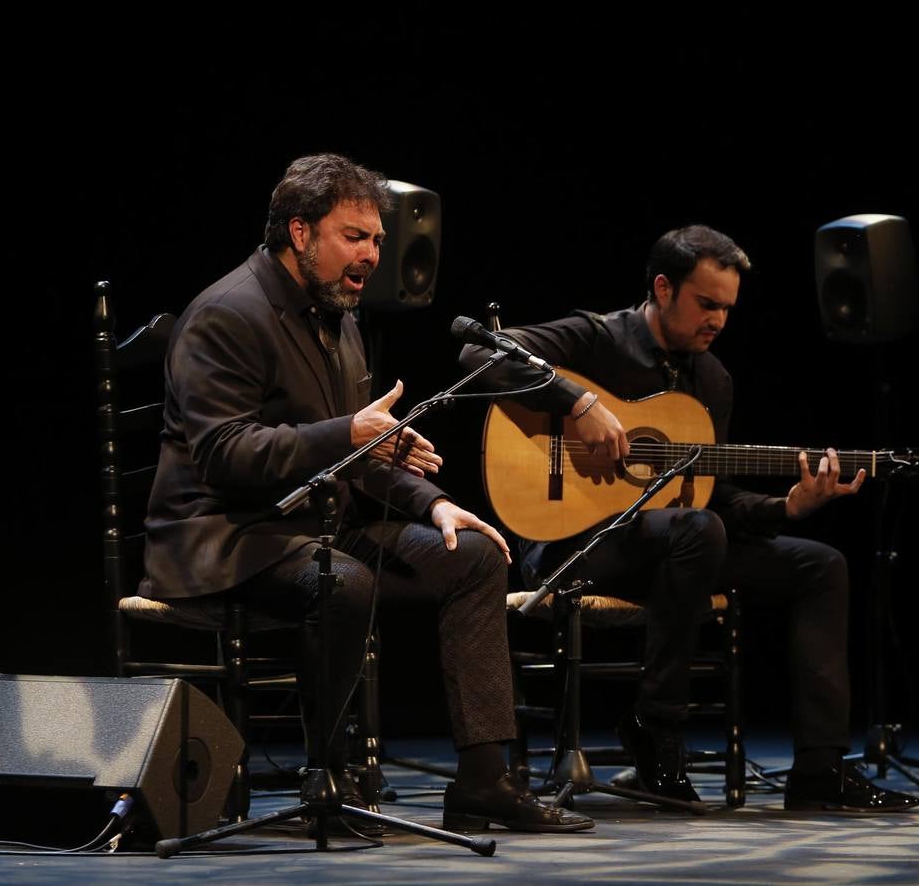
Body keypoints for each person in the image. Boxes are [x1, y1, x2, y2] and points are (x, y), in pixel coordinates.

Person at [141, 153, 591, 833]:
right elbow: (224, 454)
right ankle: (328, 775)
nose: (373, 254)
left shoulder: (340, 319)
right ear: (299, 232)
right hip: (228, 535)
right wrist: (346, 433)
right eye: (356, 236)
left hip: (319, 524)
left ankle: (484, 781)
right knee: (342, 583)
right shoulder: (226, 314)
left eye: (378, 239)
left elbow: (358, 452)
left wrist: (431, 500)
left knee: (473, 555)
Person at [461, 224, 919, 812]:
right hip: (574, 544)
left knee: (819, 563)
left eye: (728, 309)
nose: (719, 321)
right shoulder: (595, 338)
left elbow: (713, 498)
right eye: (706, 304)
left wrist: (789, 507)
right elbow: (479, 353)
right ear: (662, 288)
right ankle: (659, 729)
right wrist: (577, 402)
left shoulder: (712, 380)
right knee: (697, 533)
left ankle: (819, 771)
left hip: (679, 548)